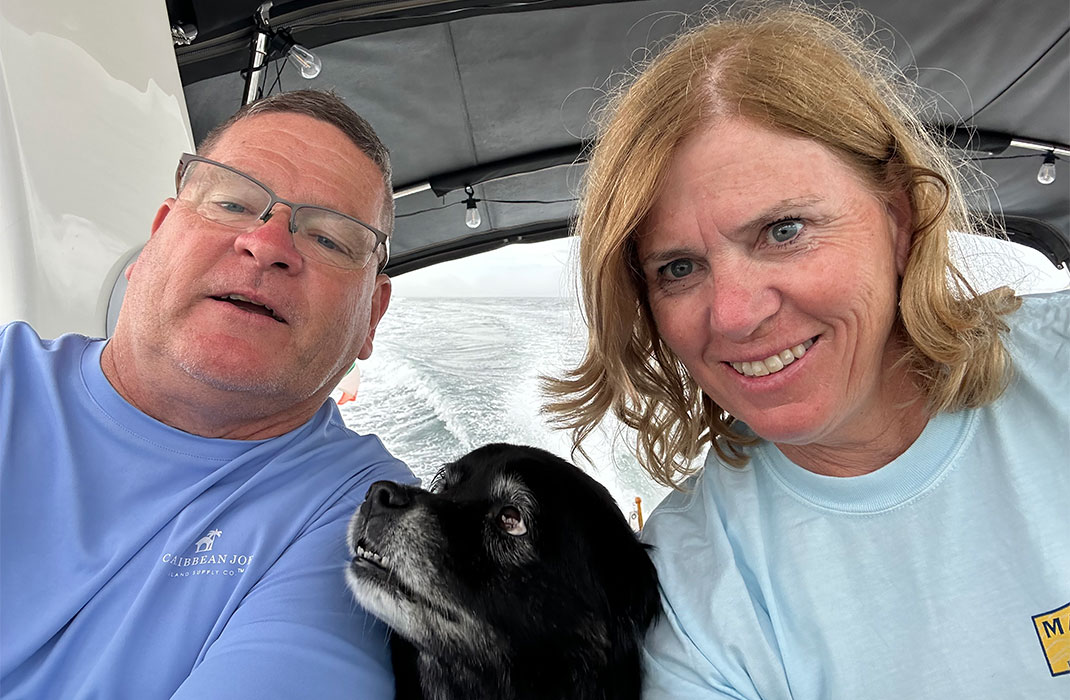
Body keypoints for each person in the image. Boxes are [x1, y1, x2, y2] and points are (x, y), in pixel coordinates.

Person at [545, 3, 1069, 697]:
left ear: (899, 220)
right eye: (678, 268)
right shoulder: (688, 591)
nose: (733, 315)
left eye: (784, 230)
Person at [0, 90, 415, 699]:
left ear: (371, 316)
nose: (268, 245)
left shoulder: (362, 515)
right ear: (158, 235)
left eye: (329, 239)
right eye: (231, 202)